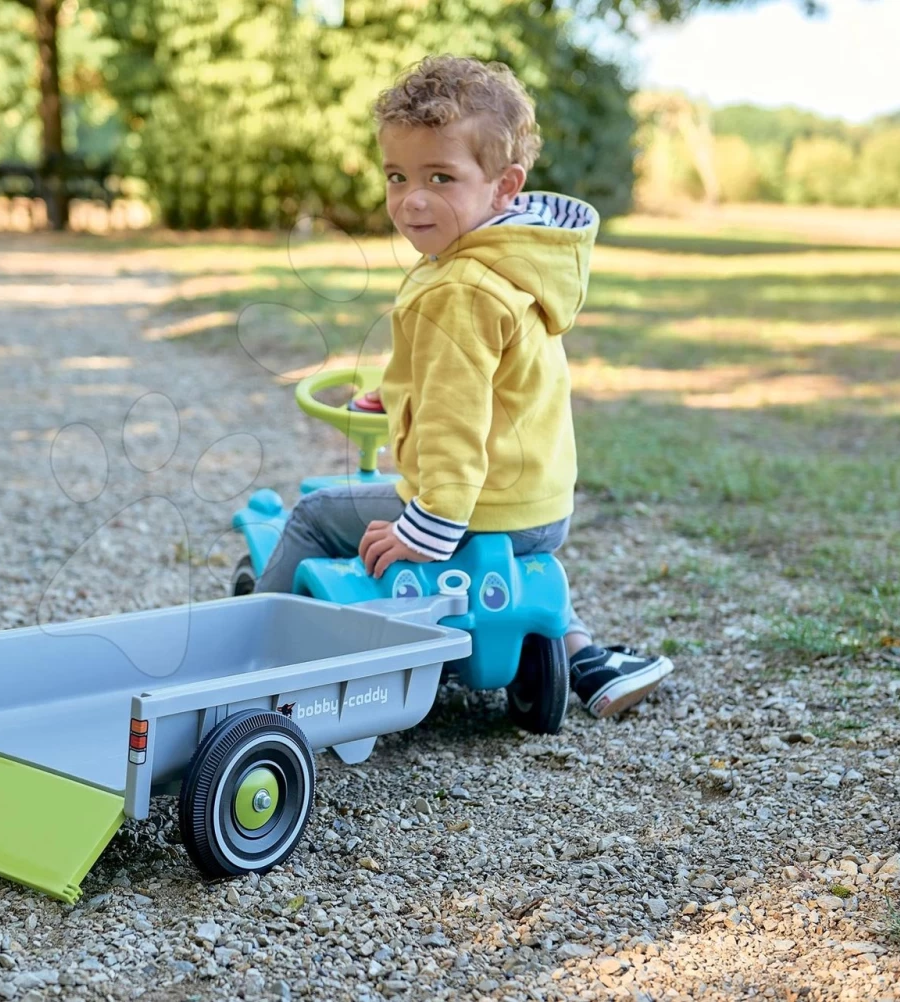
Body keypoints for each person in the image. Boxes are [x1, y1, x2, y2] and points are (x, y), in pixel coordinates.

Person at [254, 53, 673, 719]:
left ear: (504, 185)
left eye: (440, 177)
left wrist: (427, 528)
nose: (411, 198)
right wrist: (394, 394)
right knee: (474, 537)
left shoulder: (457, 287)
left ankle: (247, 655)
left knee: (309, 516)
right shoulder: (517, 263)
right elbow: (487, 386)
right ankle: (583, 655)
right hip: (539, 507)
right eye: (398, 176)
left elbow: (455, 424)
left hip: (474, 506)